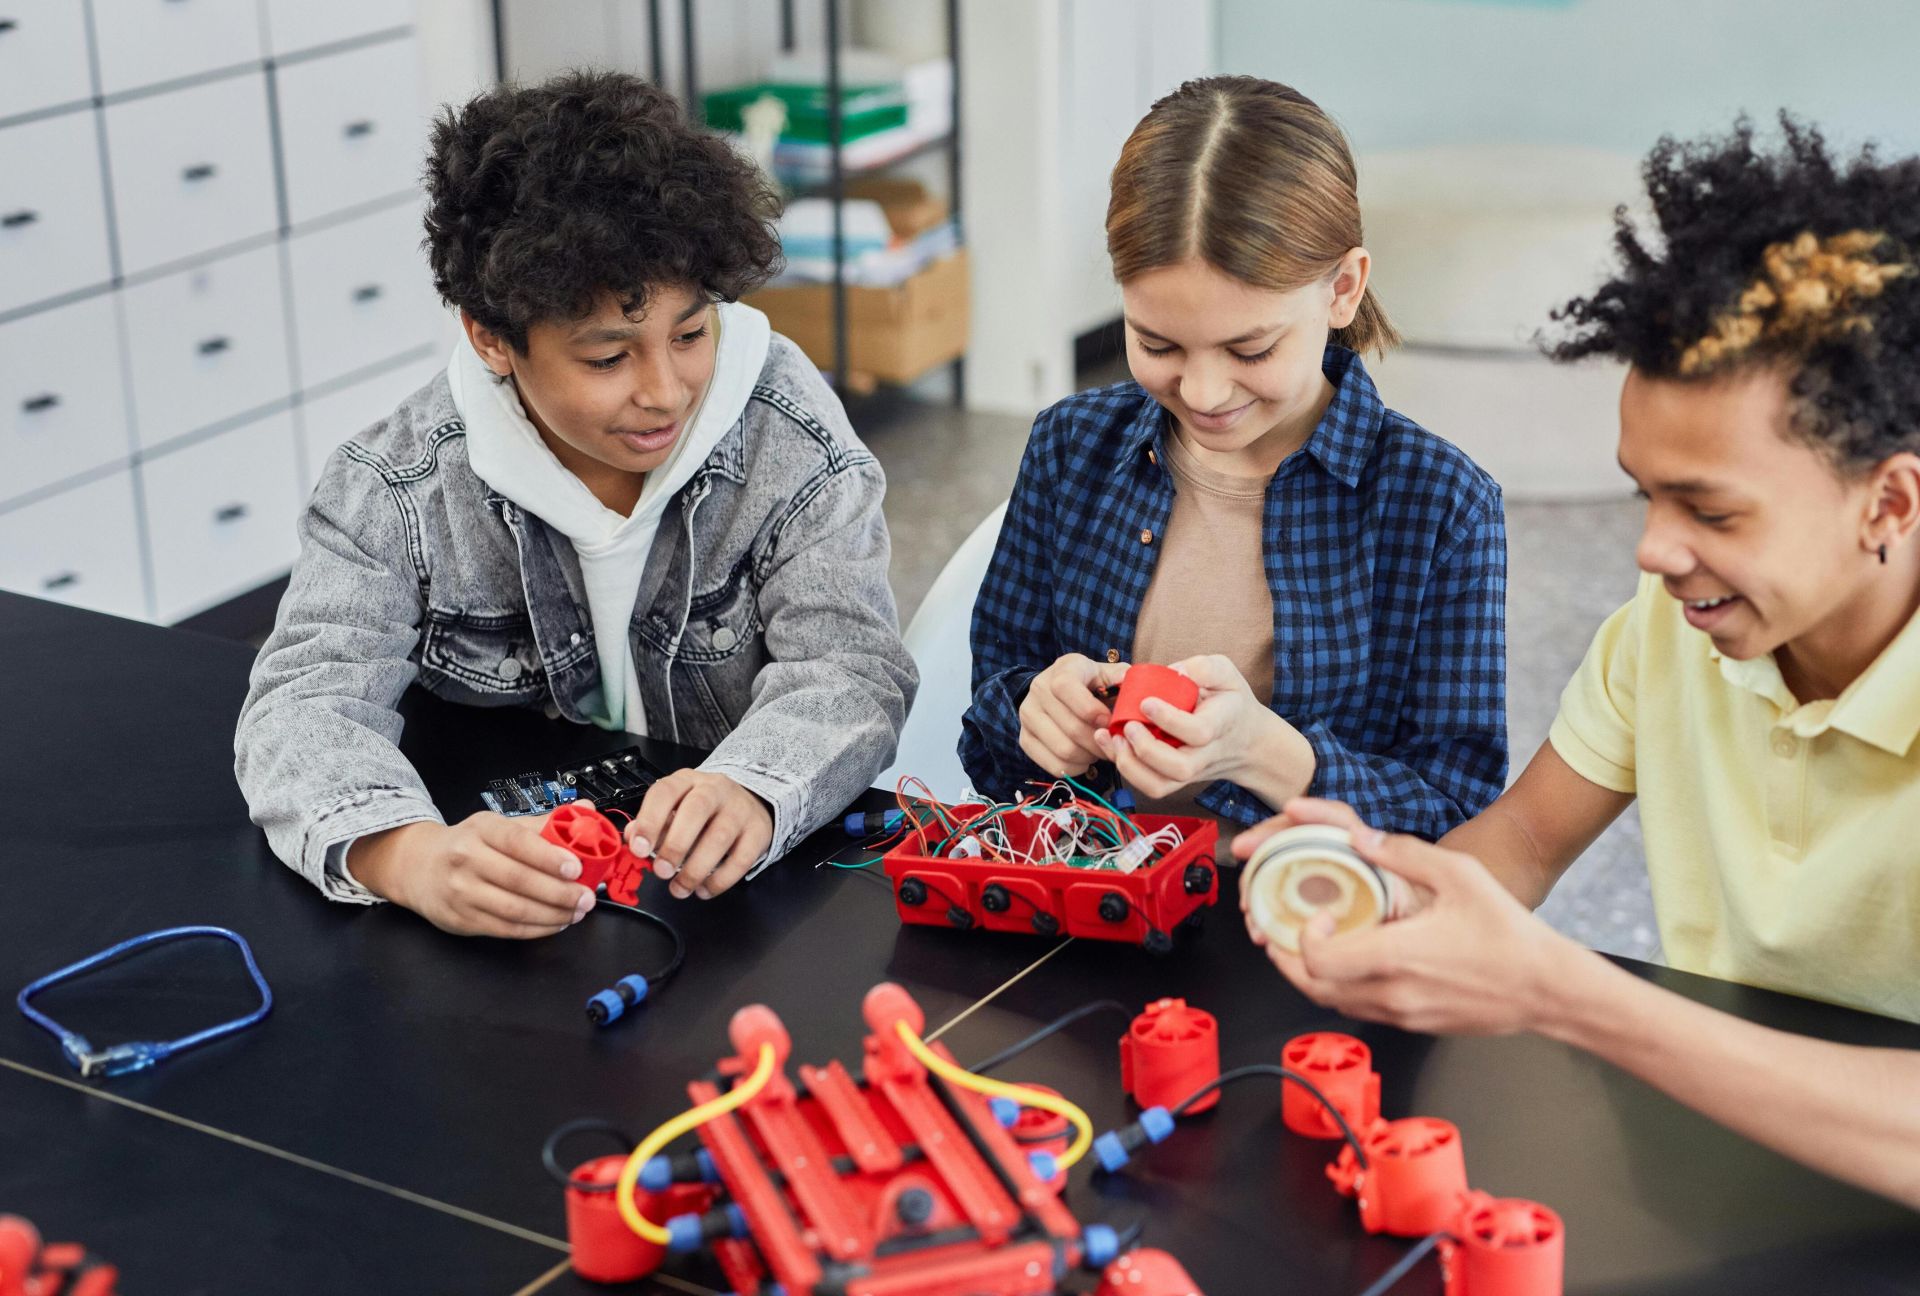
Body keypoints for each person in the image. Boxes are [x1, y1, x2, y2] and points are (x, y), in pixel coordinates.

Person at [1242, 117, 1920, 1209]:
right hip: (1722, 1174)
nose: (1652, 549)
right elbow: (1521, 837)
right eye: (1646, 491)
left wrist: (1564, 993)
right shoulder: (1673, 627)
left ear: (1887, 501)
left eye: (1710, 509)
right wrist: (1384, 885)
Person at [235, 71, 915, 937]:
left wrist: (750, 784)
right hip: (513, 890)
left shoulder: (787, 434)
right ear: (491, 338)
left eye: (692, 332)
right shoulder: (398, 486)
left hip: (731, 908)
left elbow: (851, 667)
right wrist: (405, 855)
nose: (666, 392)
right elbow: (301, 704)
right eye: (607, 359)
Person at [959, 76, 1507, 844]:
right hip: (1089, 903)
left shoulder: (1442, 505)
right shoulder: (1068, 447)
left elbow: (1462, 815)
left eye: (1251, 348)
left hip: (1306, 928)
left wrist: (1266, 755)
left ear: (1343, 290)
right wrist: (1033, 715)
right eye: (1157, 343)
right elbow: (991, 724)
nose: (1204, 389)